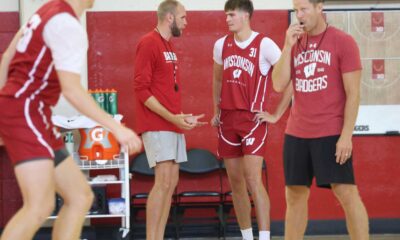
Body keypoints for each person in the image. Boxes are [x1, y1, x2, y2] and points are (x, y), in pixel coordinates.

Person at [0, 0, 142, 239]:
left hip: (32, 112)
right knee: (39, 206)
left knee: (80, 196)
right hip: (25, 110)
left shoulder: (45, 11)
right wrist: (116, 128)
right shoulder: (67, 24)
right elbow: (72, 90)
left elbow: (7, 57)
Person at [271, 0, 370, 239]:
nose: (299, 15)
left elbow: (353, 93)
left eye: (304, 9)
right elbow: (278, 84)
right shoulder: (295, 44)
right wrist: (286, 46)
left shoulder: (343, 42)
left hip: (330, 131)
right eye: (296, 10)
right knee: (294, 195)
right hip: (297, 132)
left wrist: (346, 135)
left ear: (319, 7)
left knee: (346, 193)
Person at [211, 0, 293, 239]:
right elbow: (217, 80)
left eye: (231, 15)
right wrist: (215, 109)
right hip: (227, 119)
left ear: (246, 15)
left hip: (252, 121)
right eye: (226, 15)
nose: (227, 19)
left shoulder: (264, 44)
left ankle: (264, 237)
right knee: (235, 183)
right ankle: (247, 236)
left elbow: (290, 79)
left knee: (253, 180)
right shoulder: (220, 45)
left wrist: (277, 114)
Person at [133, 1, 206, 239]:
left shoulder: (168, 46)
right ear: (170, 18)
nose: (187, 22)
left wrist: (181, 118)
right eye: (183, 17)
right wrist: (172, 117)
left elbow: (166, 91)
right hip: (156, 124)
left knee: (171, 182)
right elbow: (142, 91)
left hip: (171, 124)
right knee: (162, 182)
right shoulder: (148, 42)